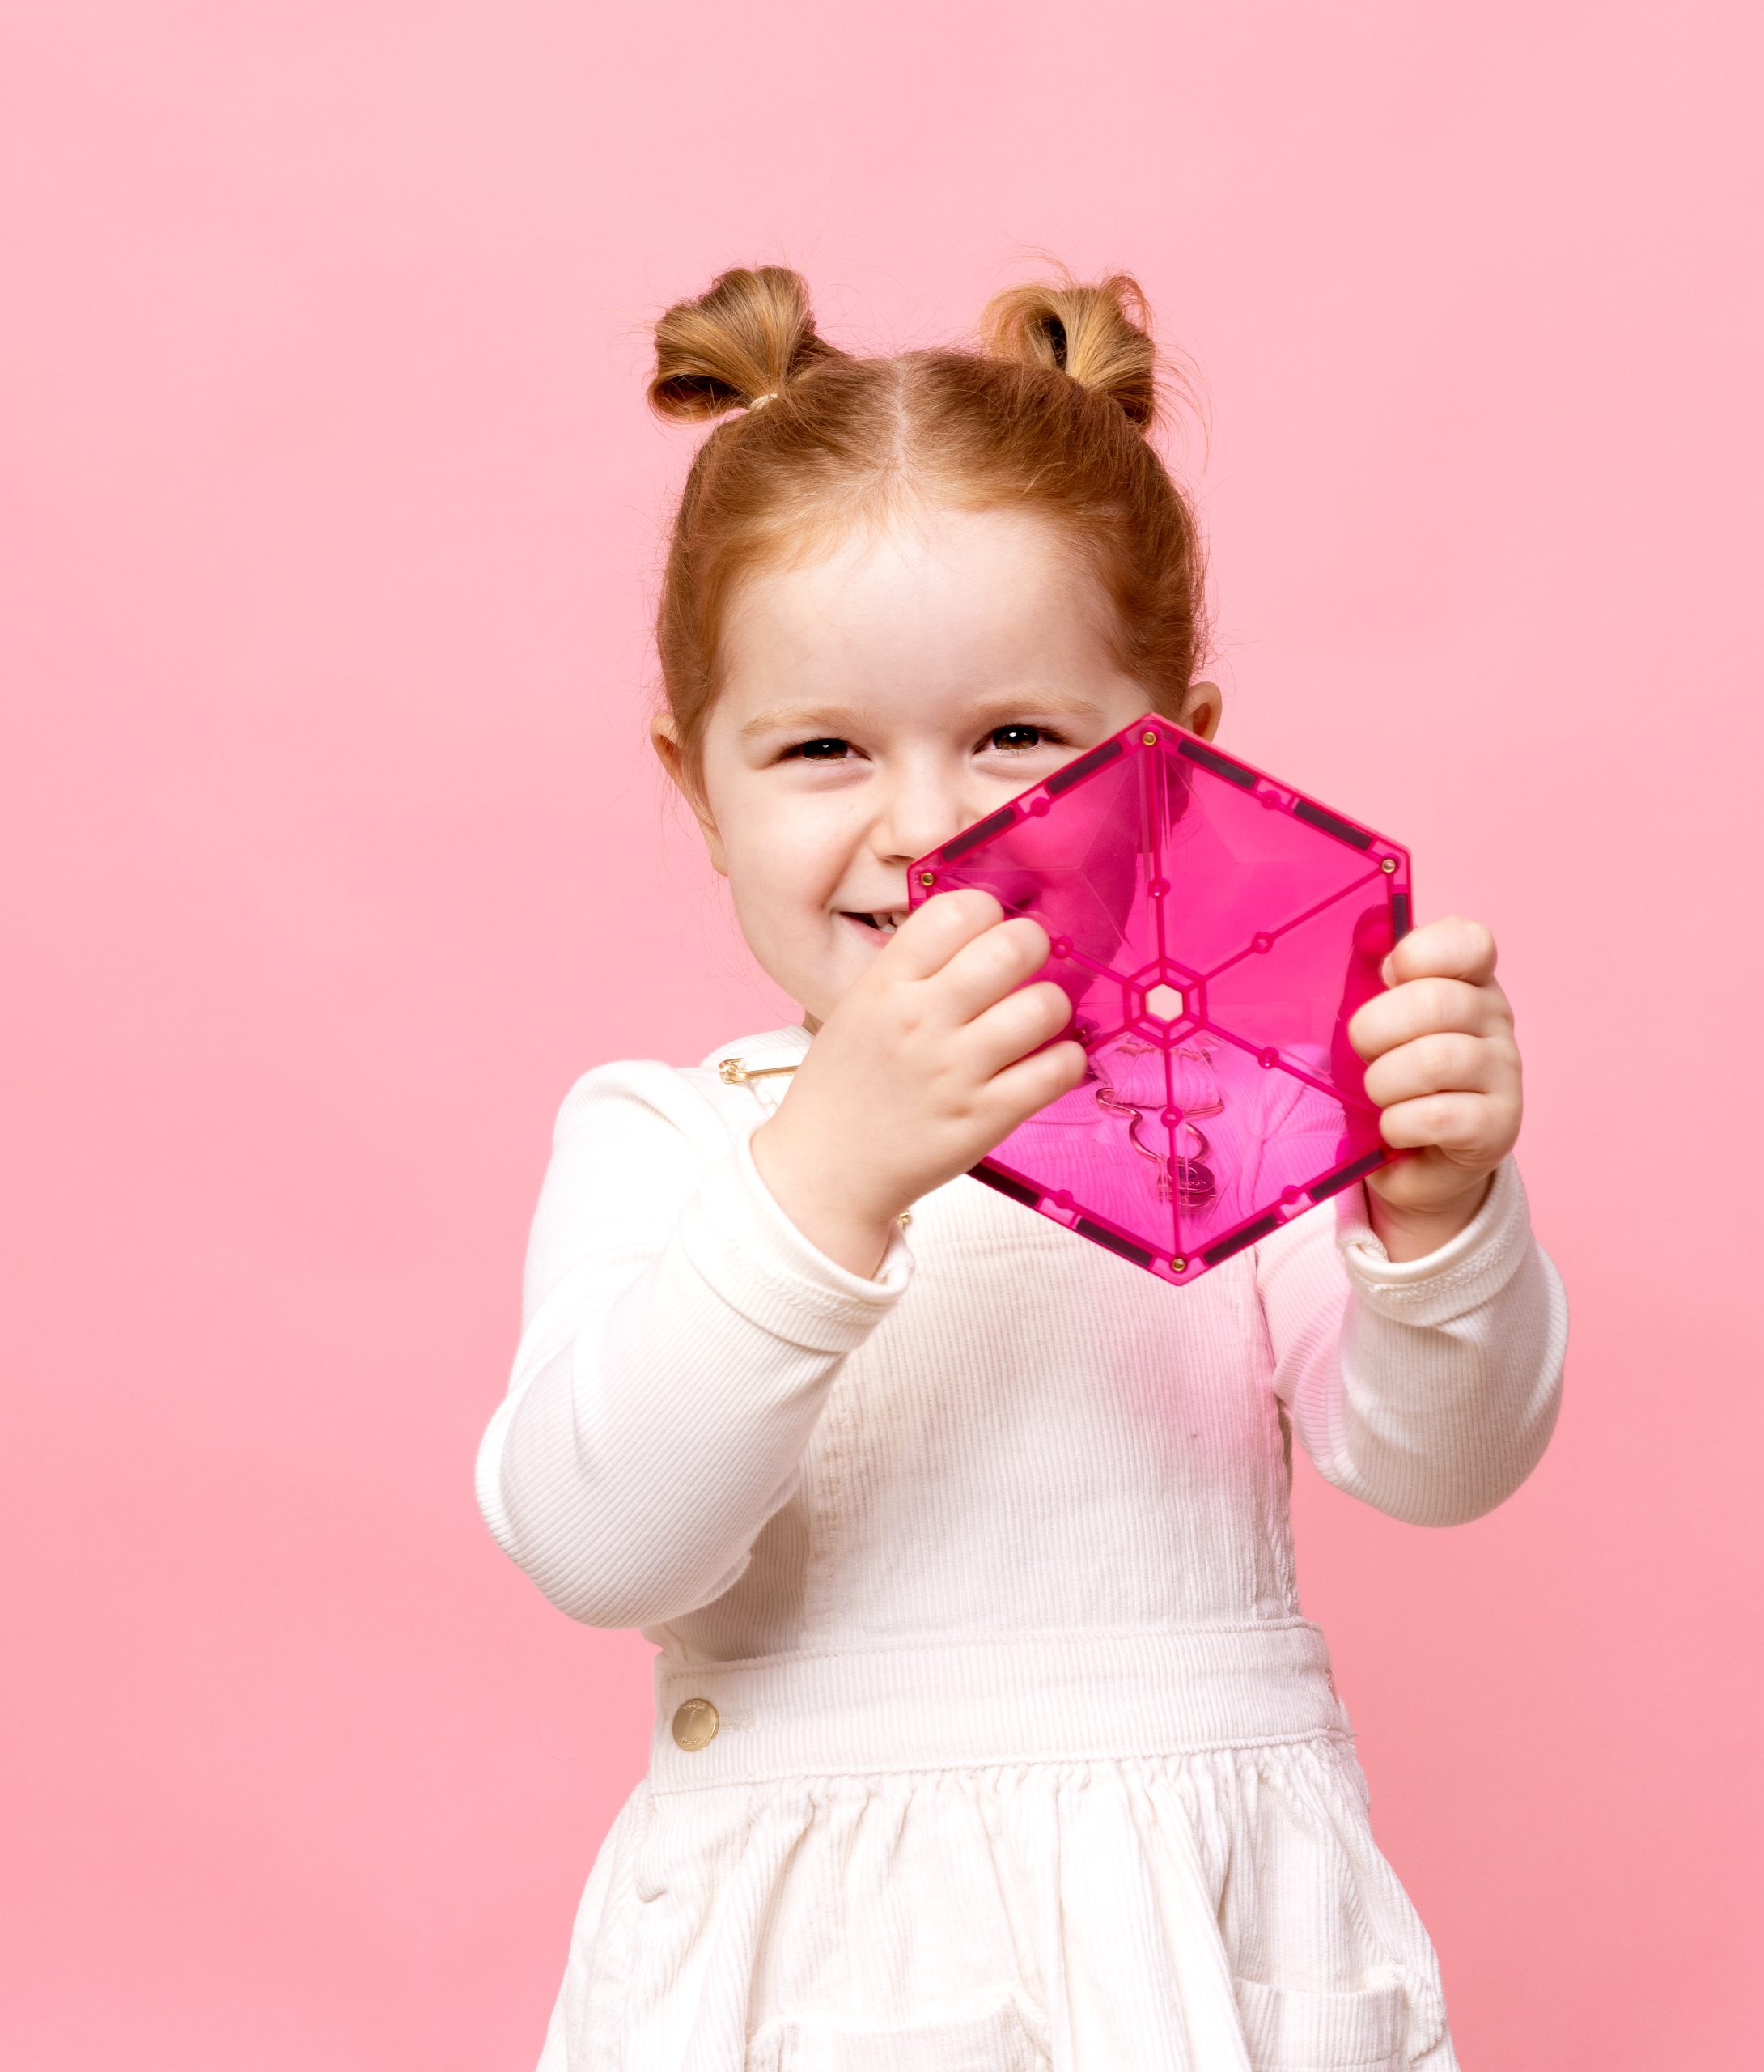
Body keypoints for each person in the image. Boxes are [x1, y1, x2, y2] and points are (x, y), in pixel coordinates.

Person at [475, 265, 1567, 2072]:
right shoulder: (674, 1139)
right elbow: (600, 1544)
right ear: (697, 786)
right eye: (822, 747)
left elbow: (1442, 1465)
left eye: (1015, 739)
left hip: (1195, 1959)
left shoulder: (1241, 1102)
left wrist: (1437, 1220)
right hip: (802, 1966)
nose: (926, 829)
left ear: (1176, 763)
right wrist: (825, 1178)